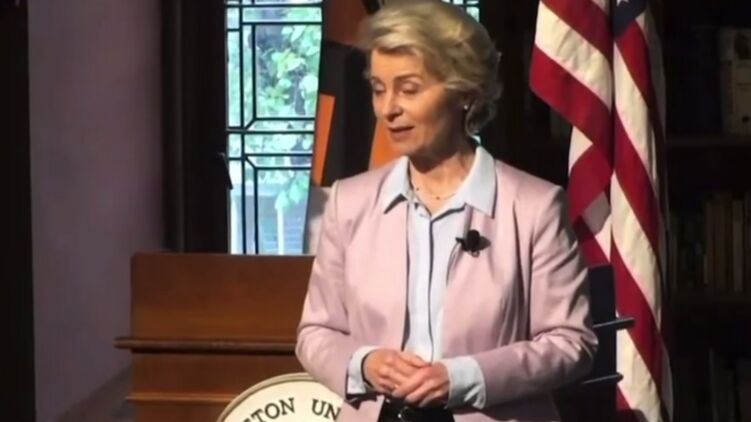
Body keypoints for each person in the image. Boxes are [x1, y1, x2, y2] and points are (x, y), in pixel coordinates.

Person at [295, 1, 597, 421]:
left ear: (464, 93)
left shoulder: (534, 207)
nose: (388, 109)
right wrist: (363, 364)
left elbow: (571, 343)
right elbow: (315, 333)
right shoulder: (349, 202)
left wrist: (464, 377)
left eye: (409, 89)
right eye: (379, 89)